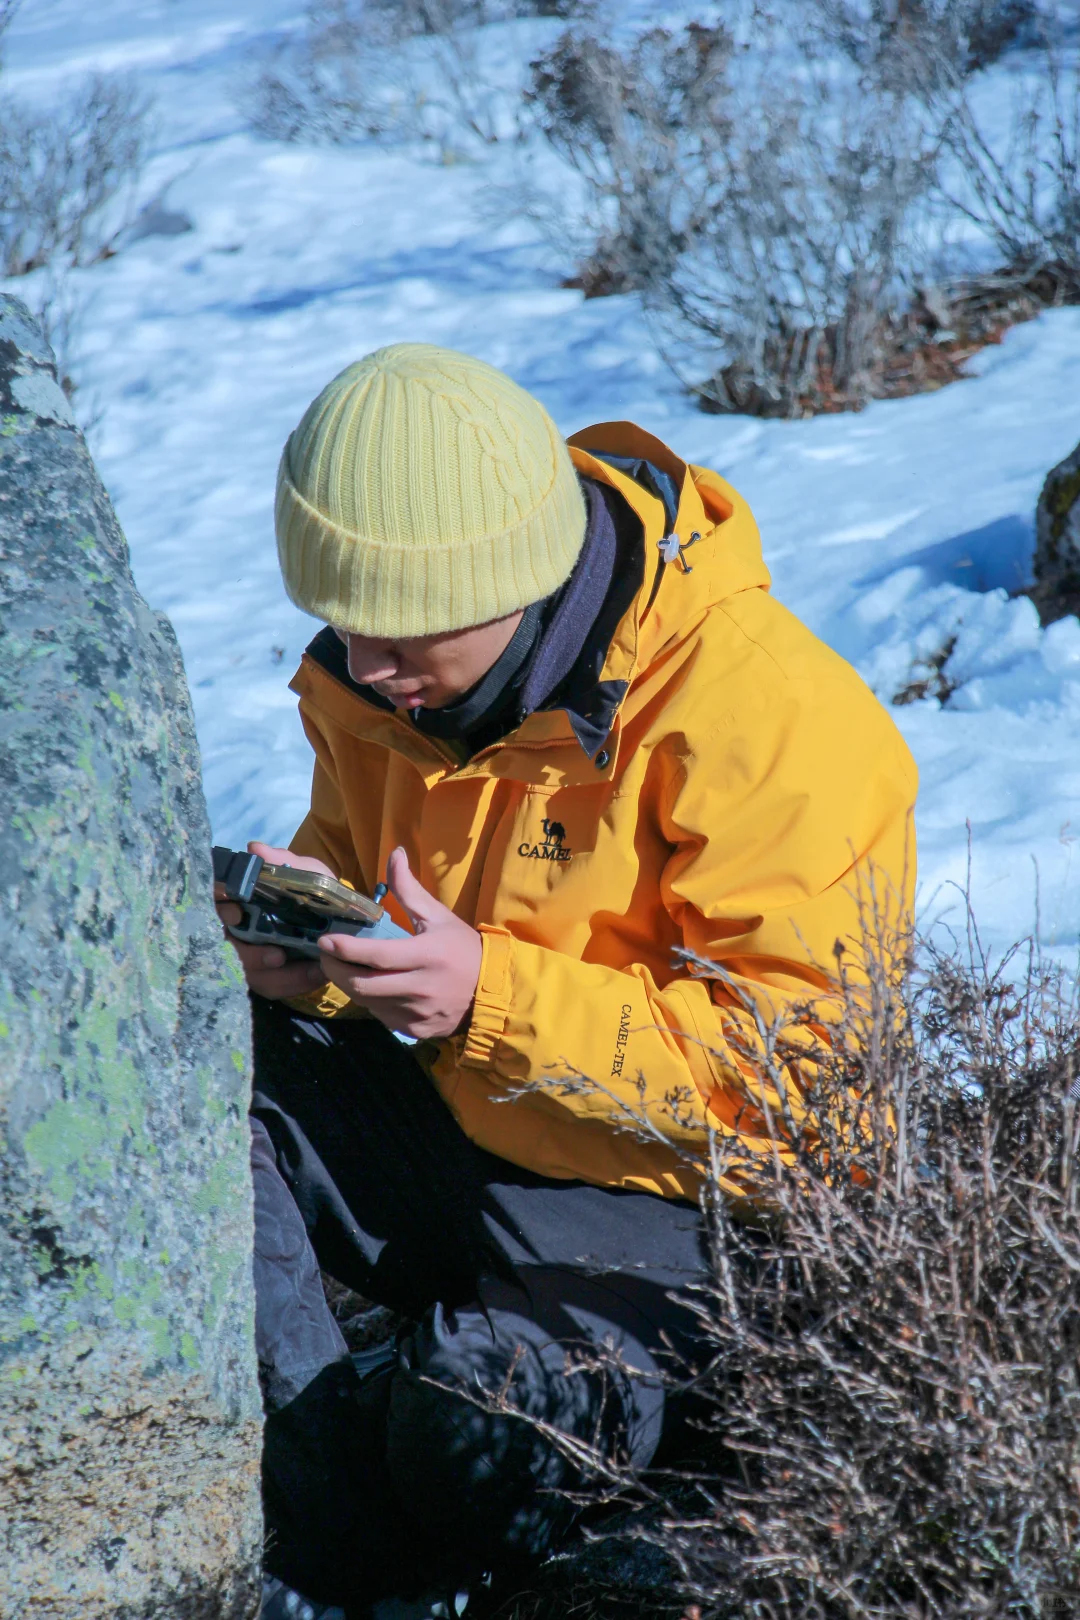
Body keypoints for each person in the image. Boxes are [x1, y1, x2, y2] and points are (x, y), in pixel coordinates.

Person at [217, 344, 918, 1619]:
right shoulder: (387, 685)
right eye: (342, 619)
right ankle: (320, 1522)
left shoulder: (764, 717)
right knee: (201, 1079)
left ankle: (407, 1479)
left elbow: (806, 1100)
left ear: (511, 580)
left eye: (401, 628)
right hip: (472, 1137)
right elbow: (367, 886)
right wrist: (309, 958)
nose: (365, 664)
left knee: (470, 1432)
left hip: (701, 1228)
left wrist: (488, 998)